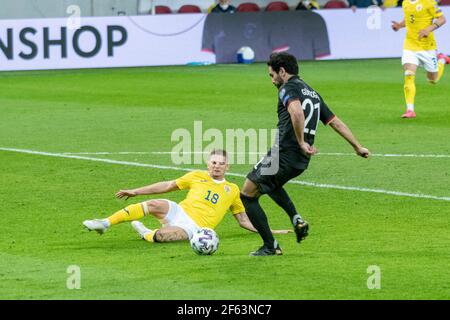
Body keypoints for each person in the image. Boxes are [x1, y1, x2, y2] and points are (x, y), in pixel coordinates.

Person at [240, 52, 370, 256]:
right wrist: (357, 146)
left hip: (284, 153)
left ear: (282, 71)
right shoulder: (312, 93)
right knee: (269, 184)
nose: (272, 80)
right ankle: (296, 219)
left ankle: (270, 246)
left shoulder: (287, 88)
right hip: (300, 160)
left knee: (247, 194)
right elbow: (334, 121)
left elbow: (297, 112)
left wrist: (300, 141)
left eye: (272, 75)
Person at [83, 149, 290, 243]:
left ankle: (145, 232)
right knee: (155, 203)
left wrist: (269, 232)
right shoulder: (196, 176)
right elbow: (167, 185)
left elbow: (243, 220)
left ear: (228, 166)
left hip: (195, 227)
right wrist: (135, 191)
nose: (216, 166)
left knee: (164, 237)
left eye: (220, 163)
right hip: (179, 211)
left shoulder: (233, 190)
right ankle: (105, 223)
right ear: (208, 164)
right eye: (213, 162)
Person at [392, 0, 449, 118]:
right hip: (410, 46)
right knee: (408, 74)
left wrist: (428, 29)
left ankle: (442, 60)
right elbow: (409, 20)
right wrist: (399, 26)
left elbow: (442, 19)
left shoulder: (429, 2)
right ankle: (410, 110)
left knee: (433, 80)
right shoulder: (405, 3)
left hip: (427, 47)